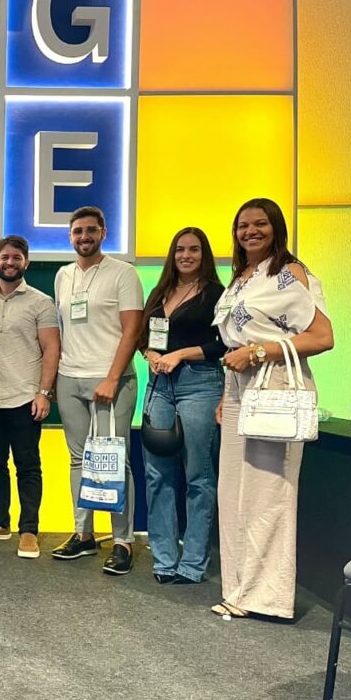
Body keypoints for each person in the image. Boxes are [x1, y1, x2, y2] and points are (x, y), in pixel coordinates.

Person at [214, 198, 333, 620]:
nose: (251, 231)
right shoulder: (242, 277)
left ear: (276, 227)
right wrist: (227, 390)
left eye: (260, 223)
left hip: (275, 384)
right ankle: (239, 590)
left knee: (266, 494)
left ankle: (267, 597)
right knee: (233, 493)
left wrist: (258, 352)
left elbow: (322, 337)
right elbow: (235, 340)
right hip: (237, 387)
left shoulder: (290, 273)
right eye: (243, 225)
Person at [52, 206, 143, 576]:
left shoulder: (123, 273)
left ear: (104, 232)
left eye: (91, 230)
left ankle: (122, 540)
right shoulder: (63, 275)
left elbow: (132, 330)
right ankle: (83, 533)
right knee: (78, 460)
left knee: (114, 460)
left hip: (111, 380)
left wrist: (112, 377)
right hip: (69, 377)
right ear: (70, 236)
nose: (84, 237)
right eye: (78, 231)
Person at [138, 228, 225, 584]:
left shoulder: (216, 293)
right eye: (180, 250)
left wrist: (181, 354)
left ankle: (192, 563)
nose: (186, 255)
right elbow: (144, 336)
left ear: (204, 254)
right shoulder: (160, 291)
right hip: (160, 386)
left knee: (198, 477)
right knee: (157, 474)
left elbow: (224, 344)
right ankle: (164, 559)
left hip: (200, 385)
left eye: (194, 249)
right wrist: (150, 353)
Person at [0, 236, 59, 559]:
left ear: (26, 262)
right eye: (5, 257)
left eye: (16, 257)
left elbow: (51, 349)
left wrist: (44, 393)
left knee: (28, 466)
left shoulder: (41, 302)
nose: (10, 262)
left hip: (26, 397)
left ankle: (29, 530)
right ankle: (0, 521)